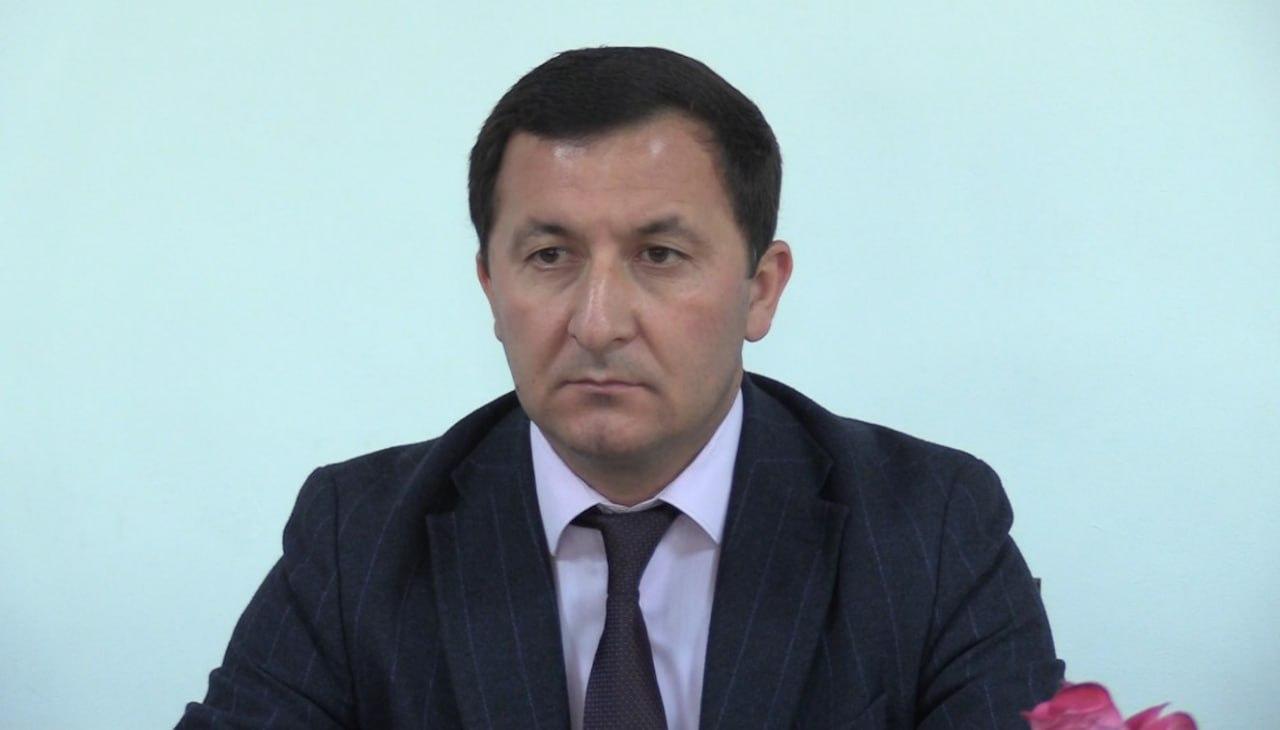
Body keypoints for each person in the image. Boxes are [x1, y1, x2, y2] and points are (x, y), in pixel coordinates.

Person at [177, 46, 1064, 729]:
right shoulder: (359, 537)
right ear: (490, 286)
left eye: (660, 255)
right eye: (549, 256)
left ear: (760, 289)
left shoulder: (930, 529)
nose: (597, 322)